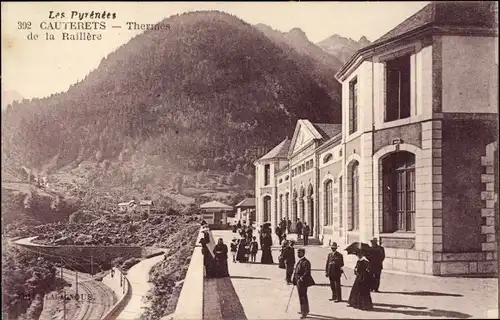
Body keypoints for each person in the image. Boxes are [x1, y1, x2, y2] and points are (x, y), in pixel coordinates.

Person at [292, 248, 315, 319]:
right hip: (298, 281)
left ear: (303, 253)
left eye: (299, 253)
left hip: (302, 282)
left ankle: (304, 312)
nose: (297, 254)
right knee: (301, 296)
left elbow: (307, 272)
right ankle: (303, 310)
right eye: (297, 253)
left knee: (303, 297)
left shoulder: (306, 262)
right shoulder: (300, 261)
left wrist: (301, 278)